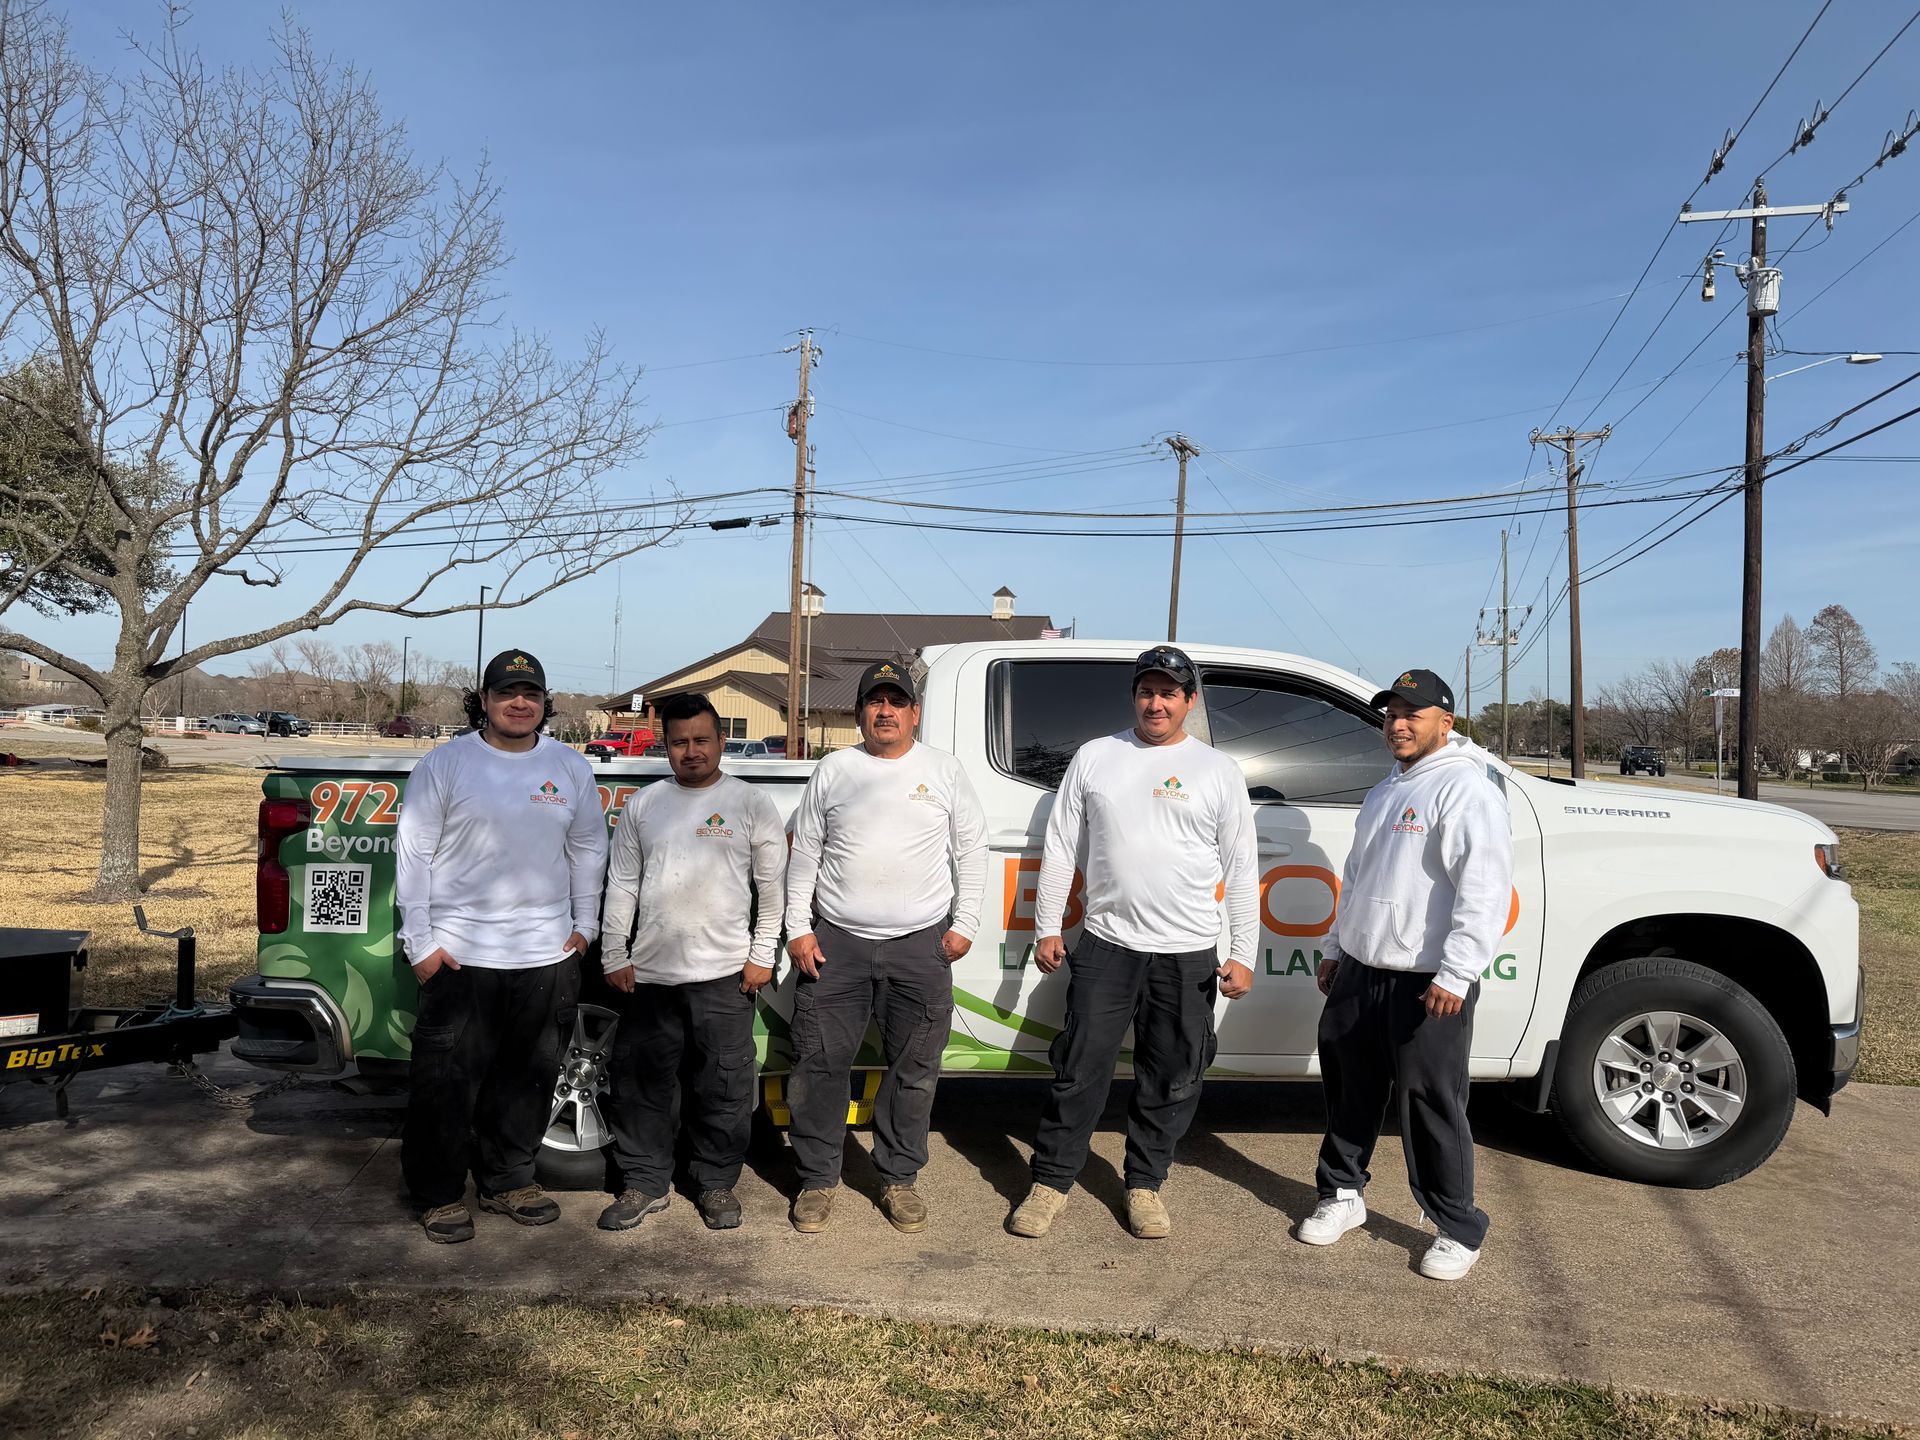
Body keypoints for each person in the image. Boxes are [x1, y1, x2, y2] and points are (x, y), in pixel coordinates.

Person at [1009, 644, 1258, 1241]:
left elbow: (1242, 866)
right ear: (1134, 698)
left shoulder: (1217, 772)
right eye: (1147, 691)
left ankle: (1144, 1185)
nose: (1156, 702)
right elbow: (1062, 843)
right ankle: (1051, 1183)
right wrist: (1048, 926)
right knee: (1079, 1069)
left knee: (1171, 1074)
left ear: (1188, 702)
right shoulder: (1097, 757)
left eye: (1169, 693)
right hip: (1106, 943)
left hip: (1188, 949)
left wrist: (1243, 951)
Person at [1294, 667, 1513, 1282]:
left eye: (1412, 714)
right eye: (1391, 713)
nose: (1397, 724)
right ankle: (1342, 1194)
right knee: (1348, 1087)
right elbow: (1358, 874)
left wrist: (1458, 971)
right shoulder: (1387, 788)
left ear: (1446, 721)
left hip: (1427, 980)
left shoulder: (1467, 790)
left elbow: (1485, 890)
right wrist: (1337, 945)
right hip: (1362, 970)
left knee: (1431, 1101)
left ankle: (1455, 1226)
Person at [395, 650, 608, 1243]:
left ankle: (508, 1180)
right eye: (508, 692)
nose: (521, 703)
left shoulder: (569, 767)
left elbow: (589, 848)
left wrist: (583, 927)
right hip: (461, 955)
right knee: (445, 1084)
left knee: (530, 1077)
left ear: (544, 703)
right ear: (484, 701)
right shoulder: (446, 764)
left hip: (546, 954)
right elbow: (414, 853)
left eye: (532, 694)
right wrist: (421, 945)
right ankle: (437, 1195)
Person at [782, 658, 988, 1234]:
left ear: (915, 713)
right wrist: (799, 926)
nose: (886, 711)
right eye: (876, 701)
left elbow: (972, 851)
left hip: (920, 947)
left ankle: (898, 1179)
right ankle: (818, 1181)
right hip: (836, 944)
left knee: (914, 1070)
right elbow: (805, 853)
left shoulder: (944, 771)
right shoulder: (834, 770)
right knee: (820, 1064)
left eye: (897, 701)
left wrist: (965, 922)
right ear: (860, 714)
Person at [596, 692, 786, 1233]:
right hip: (650, 974)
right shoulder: (645, 805)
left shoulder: (751, 804)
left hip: (726, 975)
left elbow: (771, 889)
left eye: (702, 740)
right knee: (643, 1086)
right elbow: (622, 884)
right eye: (679, 742)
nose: (691, 751)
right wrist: (614, 952)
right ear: (666, 745)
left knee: (723, 1087)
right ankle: (644, 1183)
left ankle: (716, 1183)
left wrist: (761, 953)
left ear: (721, 741)